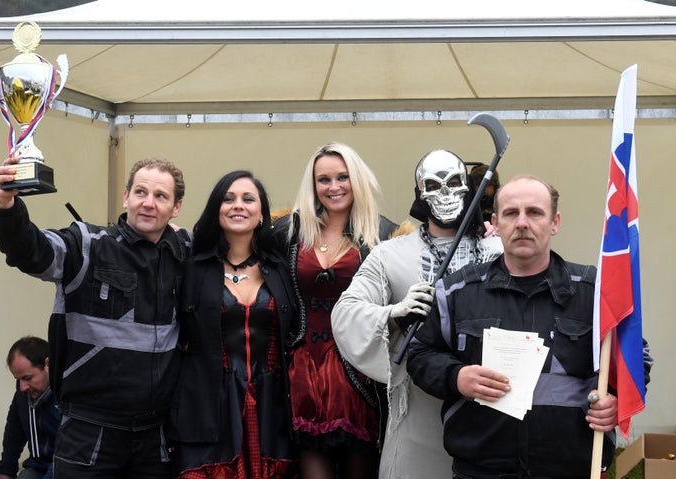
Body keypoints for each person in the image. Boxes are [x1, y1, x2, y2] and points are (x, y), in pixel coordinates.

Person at [406, 175, 653, 479]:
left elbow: (635, 358)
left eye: (534, 212)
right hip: (480, 471)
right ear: (495, 223)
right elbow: (419, 354)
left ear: (554, 222)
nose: (522, 222)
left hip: (572, 469)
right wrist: (455, 376)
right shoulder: (457, 291)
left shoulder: (595, 293)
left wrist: (616, 399)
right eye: (511, 213)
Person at [0, 157, 189, 478]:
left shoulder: (185, 252)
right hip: (90, 432)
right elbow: (31, 250)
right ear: (126, 197)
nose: (148, 203)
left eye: (161, 196)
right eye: (140, 192)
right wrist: (6, 206)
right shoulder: (86, 244)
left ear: (176, 207)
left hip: (156, 436)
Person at [331, 149, 502, 479]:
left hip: (492, 411)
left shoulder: (501, 251)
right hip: (419, 412)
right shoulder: (390, 256)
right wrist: (396, 314)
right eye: (434, 185)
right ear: (420, 193)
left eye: (454, 182)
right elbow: (347, 312)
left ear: (469, 187)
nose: (446, 194)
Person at [275, 142, 397, 479]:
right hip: (303, 371)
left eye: (342, 177)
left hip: (357, 372)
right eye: (323, 179)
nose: (334, 187)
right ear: (313, 185)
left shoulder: (384, 235)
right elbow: (236, 241)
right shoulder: (288, 232)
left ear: (356, 180)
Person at [167, 170, 298, 478]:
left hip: (272, 409)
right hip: (206, 407)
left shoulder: (282, 267)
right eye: (229, 199)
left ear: (262, 214)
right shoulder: (191, 266)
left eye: (248, 199)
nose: (238, 205)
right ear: (217, 210)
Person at [0, 336, 59, 479]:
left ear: (48, 365)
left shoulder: (70, 393)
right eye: (18, 380)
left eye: (27, 378)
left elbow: (76, 452)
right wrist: (5, 471)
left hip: (68, 469)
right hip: (38, 467)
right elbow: (14, 432)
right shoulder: (23, 392)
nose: (22, 387)